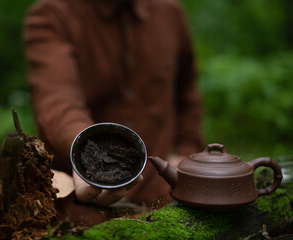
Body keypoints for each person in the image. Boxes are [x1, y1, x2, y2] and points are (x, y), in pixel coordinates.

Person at [24, 0, 203, 225]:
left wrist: (188, 153)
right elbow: (56, 101)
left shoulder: (169, 13)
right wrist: (86, 149)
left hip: (160, 198)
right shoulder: (53, 15)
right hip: (80, 204)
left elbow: (187, 94)